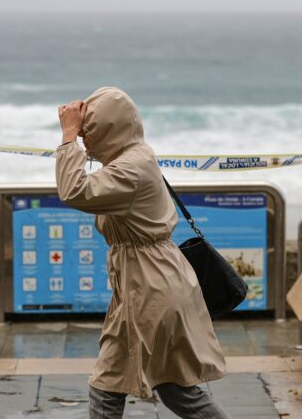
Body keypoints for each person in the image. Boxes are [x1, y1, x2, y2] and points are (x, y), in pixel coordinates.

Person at [56, 87, 230, 419]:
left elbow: (74, 190)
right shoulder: (133, 157)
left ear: (111, 130)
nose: (85, 140)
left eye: (90, 131)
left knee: (107, 386)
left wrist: (67, 137)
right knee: (175, 389)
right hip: (150, 283)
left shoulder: (131, 168)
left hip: (150, 288)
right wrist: (76, 136)